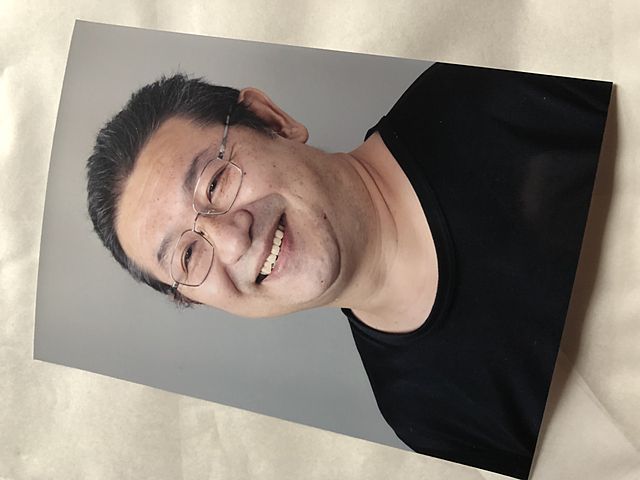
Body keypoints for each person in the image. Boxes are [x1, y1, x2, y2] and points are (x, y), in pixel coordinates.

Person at [87, 63, 611, 479]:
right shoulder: (421, 414)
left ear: (273, 121)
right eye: (187, 257)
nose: (230, 239)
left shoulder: (502, 82)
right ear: (196, 300)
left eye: (215, 182)